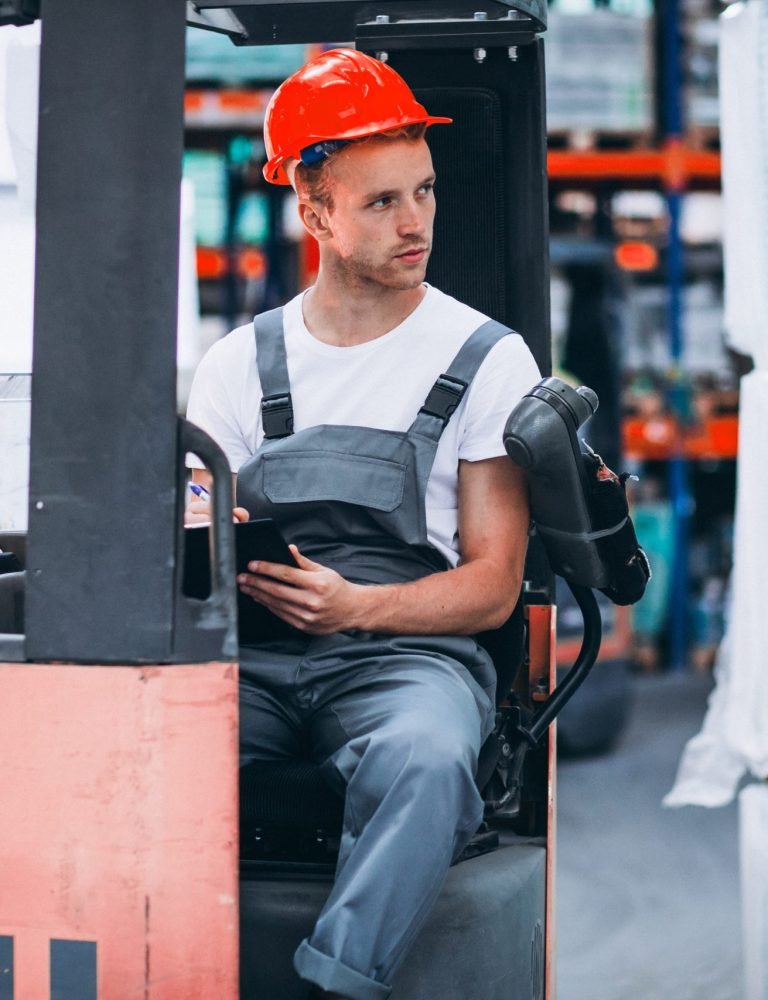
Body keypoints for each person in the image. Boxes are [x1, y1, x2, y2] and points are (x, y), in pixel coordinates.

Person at [186, 48, 541, 1000]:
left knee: (428, 758)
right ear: (315, 213)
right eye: (382, 202)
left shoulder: (486, 358)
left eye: (423, 191)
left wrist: (355, 607)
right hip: (257, 658)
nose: (415, 221)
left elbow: (493, 586)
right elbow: (192, 544)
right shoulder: (235, 366)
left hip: (408, 660)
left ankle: (336, 986)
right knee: (144, 743)